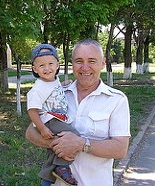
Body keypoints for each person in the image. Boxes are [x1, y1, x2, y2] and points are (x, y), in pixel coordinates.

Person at [26, 39, 131, 186]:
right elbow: (31, 132)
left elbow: (120, 149)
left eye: (92, 61)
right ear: (72, 64)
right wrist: (57, 143)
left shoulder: (116, 100)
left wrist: (81, 144)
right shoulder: (58, 94)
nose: (85, 67)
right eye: (79, 61)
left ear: (103, 63)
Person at [27, 43, 79, 186]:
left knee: (53, 152)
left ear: (57, 65)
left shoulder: (53, 81)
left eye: (50, 64)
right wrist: (42, 128)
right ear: (35, 69)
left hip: (56, 118)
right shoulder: (38, 88)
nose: (47, 68)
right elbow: (32, 110)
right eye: (42, 65)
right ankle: (62, 166)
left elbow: (53, 90)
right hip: (50, 120)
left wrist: (63, 85)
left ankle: (46, 180)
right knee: (73, 136)